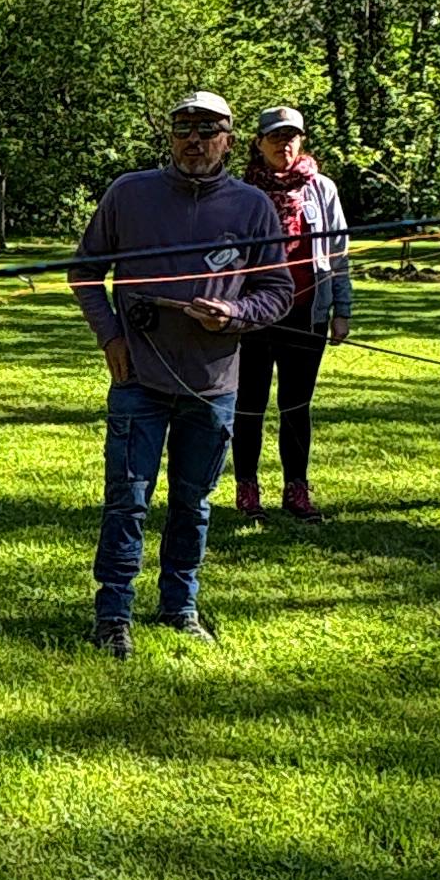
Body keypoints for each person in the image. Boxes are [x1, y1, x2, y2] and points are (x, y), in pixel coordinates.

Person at [71, 90, 291, 648]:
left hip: (214, 383)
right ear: (170, 137)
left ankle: (179, 607)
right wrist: (111, 335)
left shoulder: (250, 206)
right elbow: (85, 272)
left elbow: (277, 291)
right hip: (138, 378)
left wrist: (235, 313)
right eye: (183, 129)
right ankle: (112, 616)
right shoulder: (130, 193)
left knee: (193, 503)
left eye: (208, 130)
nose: (195, 140)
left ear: (228, 140)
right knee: (128, 498)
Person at [231, 105, 354, 519]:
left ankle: (296, 489)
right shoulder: (239, 191)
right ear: (258, 142)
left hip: (307, 312)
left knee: (296, 405)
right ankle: (247, 489)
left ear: (301, 140)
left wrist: (342, 309)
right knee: (249, 403)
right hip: (253, 313)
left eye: (292, 136)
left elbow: (338, 253)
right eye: (276, 136)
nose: (285, 144)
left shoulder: (322, 188)